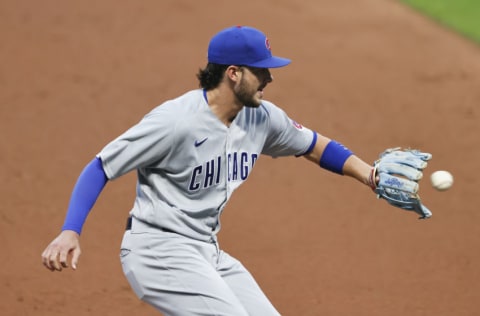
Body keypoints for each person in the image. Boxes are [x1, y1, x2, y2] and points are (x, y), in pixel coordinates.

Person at [41, 25, 430, 315]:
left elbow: (314, 145)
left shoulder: (260, 117)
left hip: (206, 251)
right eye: (260, 71)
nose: (270, 78)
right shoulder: (175, 122)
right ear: (233, 73)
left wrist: (371, 175)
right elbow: (101, 166)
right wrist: (70, 230)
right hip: (157, 251)